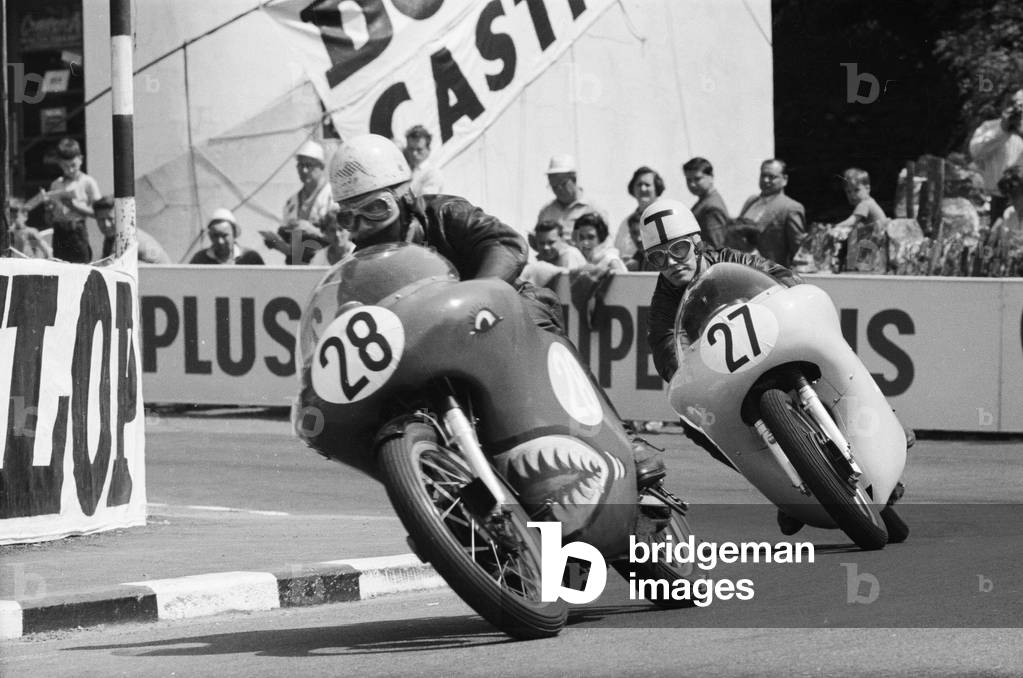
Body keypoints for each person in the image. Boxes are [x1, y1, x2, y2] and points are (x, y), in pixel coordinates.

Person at [329, 133, 666, 488]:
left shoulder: (445, 213)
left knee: (537, 318)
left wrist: (479, 293)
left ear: (406, 198)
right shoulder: (359, 271)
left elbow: (505, 242)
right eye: (348, 218)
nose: (363, 226)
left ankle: (625, 440)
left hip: (496, 320)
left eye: (376, 209)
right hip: (425, 353)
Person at [640, 197, 802, 529]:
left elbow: (780, 275)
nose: (671, 262)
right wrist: (682, 377)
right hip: (727, 372)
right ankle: (783, 490)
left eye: (679, 250)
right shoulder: (663, 300)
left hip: (771, 344)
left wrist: (795, 290)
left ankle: (877, 416)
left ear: (697, 244)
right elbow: (663, 345)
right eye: (658, 257)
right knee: (694, 425)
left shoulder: (729, 260)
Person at [264, 140, 334, 265]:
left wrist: (312, 230)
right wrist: (277, 243)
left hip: (323, 264)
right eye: (300, 165)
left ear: (322, 167)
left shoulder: (332, 197)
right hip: (297, 265)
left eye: (308, 165)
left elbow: (342, 238)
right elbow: (292, 249)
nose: (304, 170)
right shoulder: (291, 202)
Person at [42, 137, 102, 263]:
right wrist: (49, 210)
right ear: (59, 163)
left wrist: (75, 206)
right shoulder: (55, 184)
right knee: (59, 270)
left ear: (81, 159)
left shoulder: (88, 182)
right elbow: (49, 220)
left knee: (81, 270)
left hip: (77, 232)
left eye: (73, 165)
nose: (70, 170)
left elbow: (99, 213)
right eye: (65, 166)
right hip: (59, 233)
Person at [737, 159, 806, 266]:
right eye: (763, 175)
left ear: (785, 180)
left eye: (772, 177)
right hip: (739, 269)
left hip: (769, 275)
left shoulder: (790, 208)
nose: (765, 180)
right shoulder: (751, 201)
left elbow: (797, 249)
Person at [968, 87, 1023, 220]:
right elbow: (975, 151)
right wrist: (1002, 130)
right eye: (1011, 104)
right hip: (998, 198)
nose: (1015, 109)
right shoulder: (989, 127)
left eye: (1019, 105)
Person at [829, 168, 889, 273]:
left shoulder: (864, 204)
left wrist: (835, 227)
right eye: (848, 192)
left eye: (856, 190)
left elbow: (851, 221)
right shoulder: (870, 202)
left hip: (872, 244)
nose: (852, 195)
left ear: (868, 188)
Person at [536, 154, 610, 234]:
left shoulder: (593, 209)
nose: (558, 190)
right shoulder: (546, 212)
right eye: (554, 186)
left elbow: (605, 242)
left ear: (574, 179)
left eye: (563, 184)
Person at [93, 195, 172, 264]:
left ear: (121, 217)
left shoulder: (126, 237)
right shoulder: (112, 236)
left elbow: (109, 267)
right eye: (101, 220)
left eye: (110, 219)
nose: (106, 224)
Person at [612, 166, 665, 260]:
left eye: (647, 185)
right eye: (639, 185)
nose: (643, 189)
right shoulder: (626, 222)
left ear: (657, 188)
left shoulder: (666, 217)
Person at [520, 219, 587, 288]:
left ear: (561, 239)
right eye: (542, 243)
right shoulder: (547, 258)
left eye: (551, 242)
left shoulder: (569, 255)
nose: (546, 247)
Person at [683, 157, 730, 249]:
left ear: (711, 177)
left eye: (697, 179)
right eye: (689, 180)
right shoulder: (704, 201)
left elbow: (717, 247)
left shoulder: (712, 208)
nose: (692, 184)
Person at [189, 208, 265, 265]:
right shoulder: (200, 259)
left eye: (224, 235)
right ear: (210, 236)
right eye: (215, 236)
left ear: (234, 234)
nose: (220, 241)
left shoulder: (250, 258)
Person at [404, 124, 444, 195]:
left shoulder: (433, 173)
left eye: (419, 149)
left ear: (428, 149)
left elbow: (424, 203)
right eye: (411, 149)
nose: (414, 153)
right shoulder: (406, 170)